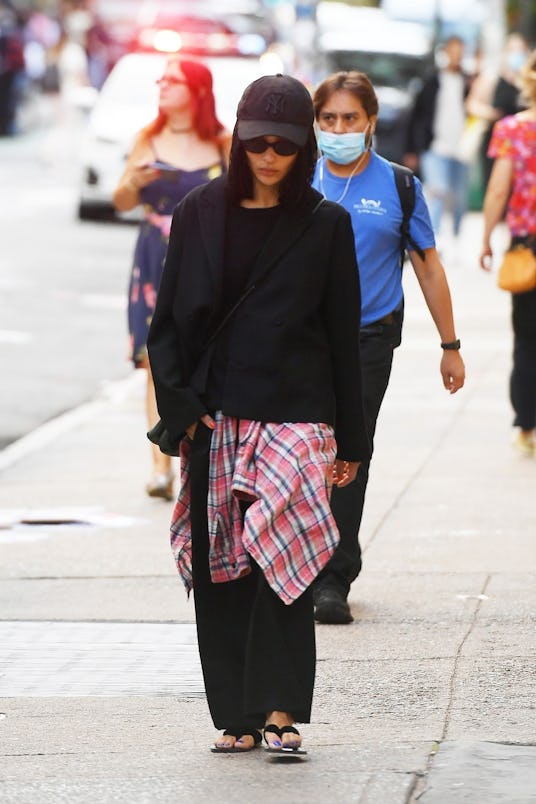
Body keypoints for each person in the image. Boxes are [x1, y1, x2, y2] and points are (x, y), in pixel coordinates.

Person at [147, 74, 370, 753]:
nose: (269, 156)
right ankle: (235, 718)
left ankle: (278, 710)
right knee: (222, 567)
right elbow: (167, 328)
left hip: (296, 417)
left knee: (282, 559)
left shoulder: (325, 223)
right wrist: (183, 412)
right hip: (218, 415)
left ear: (304, 148)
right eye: (257, 144)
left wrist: (350, 441)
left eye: (284, 146)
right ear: (238, 140)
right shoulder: (198, 212)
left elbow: (342, 334)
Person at [311, 70, 466, 624]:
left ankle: (334, 575)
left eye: (350, 118)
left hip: (368, 338)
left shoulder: (399, 185)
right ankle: (294, 565)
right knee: (301, 450)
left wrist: (450, 344)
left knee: (349, 452)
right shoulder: (298, 179)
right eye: (328, 119)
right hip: (301, 340)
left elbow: (427, 265)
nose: (339, 128)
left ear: (371, 121)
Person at [113, 57, 230, 500]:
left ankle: (195, 460)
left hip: (205, 260)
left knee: (201, 359)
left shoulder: (221, 142)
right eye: (160, 80)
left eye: (172, 80)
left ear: (198, 91)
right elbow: (121, 200)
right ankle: (159, 466)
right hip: (156, 258)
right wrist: (134, 179)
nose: (162, 86)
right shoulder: (147, 138)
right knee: (154, 364)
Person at [479, 50, 536, 456]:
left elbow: (499, 188)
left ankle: (526, 426)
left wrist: (484, 237)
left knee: (528, 338)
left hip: (526, 248)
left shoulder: (513, 129)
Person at [405, 36, 471, 241]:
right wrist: (412, 149)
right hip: (435, 146)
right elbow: (416, 116)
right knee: (437, 190)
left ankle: (456, 237)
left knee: (459, 196)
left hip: (461, 147)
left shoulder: (468, 82)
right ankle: (434, 238)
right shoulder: (431, 81)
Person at [466, 33, 530, 192]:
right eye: (512, 50)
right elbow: (471, 103)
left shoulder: (528, 82)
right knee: (496, 188)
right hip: (496, 143)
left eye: (520, 50)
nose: (516, 55)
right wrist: (490, 113)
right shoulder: (492, 78)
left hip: (524, 146)